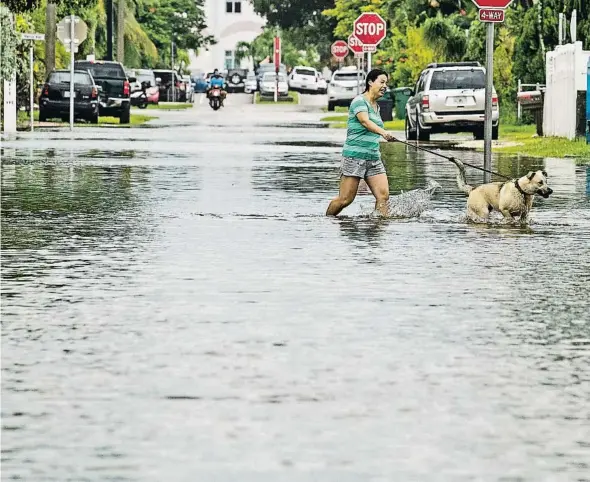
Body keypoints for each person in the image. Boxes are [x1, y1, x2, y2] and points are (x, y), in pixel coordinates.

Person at [326, 69, 397, 217]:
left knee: (383, 196)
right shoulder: (359, 101)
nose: (385, 86)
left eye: (386, 83)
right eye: (382, 82)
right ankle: (327, 220)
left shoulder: (376, 106)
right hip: (354, 157)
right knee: (345, 199)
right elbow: (365, 121)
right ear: (370, 82)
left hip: (373, 157)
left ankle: (379, 230)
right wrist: (383, 133)